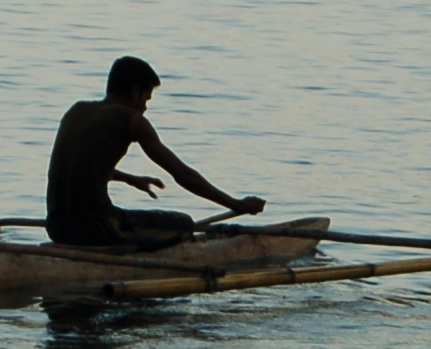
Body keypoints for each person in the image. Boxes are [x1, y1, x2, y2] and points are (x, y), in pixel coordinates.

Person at [45, 56, 266, 250]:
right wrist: (236, 205)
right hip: (97, 229)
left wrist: (130, 179)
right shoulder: (132, 120)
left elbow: (82, 166)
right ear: (134, 91)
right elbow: (183, 175)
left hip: (56, 227)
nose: (145, 108)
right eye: (145, 98)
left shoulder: (76, 110)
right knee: (183, 224)